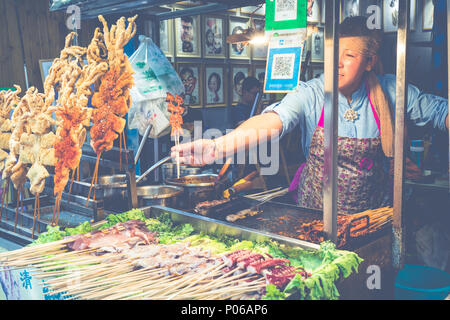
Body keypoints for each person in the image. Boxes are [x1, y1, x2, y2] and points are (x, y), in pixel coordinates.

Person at [171, 16, 449, 215]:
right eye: (334, 52)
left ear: (370, 61)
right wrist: (218, 146)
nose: (337, 63)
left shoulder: (391, 91)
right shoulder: (312, 93)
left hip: (372, 220)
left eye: (350, 55)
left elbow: (440, 113)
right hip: (316, 218)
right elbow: (273, 121)